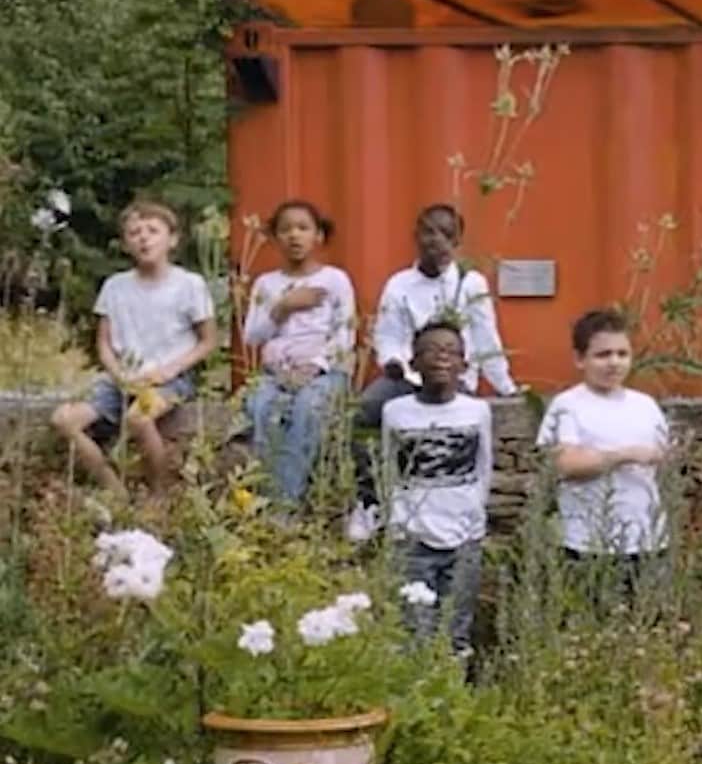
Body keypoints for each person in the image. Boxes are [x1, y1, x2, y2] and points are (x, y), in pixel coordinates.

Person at [350, 203, 517, 539]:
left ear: (458, 242)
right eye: (429, 232)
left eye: (446, 234)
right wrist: (394, 361)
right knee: (362, 412)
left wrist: (506, 386)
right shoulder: (399, 285)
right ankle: (370, 501)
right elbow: (388, 335)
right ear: (416, 235)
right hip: (409, 377)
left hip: (454, 380)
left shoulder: (470, 283)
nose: (436, 241)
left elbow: (486, 337)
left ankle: (455, 511)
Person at [51, 199, 217, 496]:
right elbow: (103, 342)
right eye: (134, 232)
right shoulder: (115, 286)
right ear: (126, 244)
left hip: (169, 379)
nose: (143, 238)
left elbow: (207, 341)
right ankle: (114, 489)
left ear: (172, 239)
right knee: (64, 419)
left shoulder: (189, 285)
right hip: (121, 378)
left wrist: (168, 370)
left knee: (138, 418)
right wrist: (118, 375)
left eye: (153, 231)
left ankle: (159, 494)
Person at [537, 309, 671, 597]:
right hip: (588, 543)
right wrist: (625, 455)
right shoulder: (567, 406)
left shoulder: (645, 405)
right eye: (603, 354)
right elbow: (566, 463)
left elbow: (665, 458)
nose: (614, 363)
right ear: (579, 359)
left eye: (622, 354)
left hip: (647, 540)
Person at [380, 321, 491, 657]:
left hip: (463, 537)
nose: (442, 358)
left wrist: (474, 517)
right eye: (431, 350)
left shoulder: (477, 411)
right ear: (413, 364)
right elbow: (388, 468)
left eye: (451, 352)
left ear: (464, 364)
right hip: (411, 538)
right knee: (413, 632)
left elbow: (484, 466)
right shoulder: (396, 412)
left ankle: (455, 700)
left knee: (456, 630)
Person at [241, 200, 356, 507]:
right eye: (285, 229)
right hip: (275, 373)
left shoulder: (334, 280)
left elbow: (345, 335)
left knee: (307, 410)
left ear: (318, 235)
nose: (294, 236)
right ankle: (273, 498)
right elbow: (252, 336)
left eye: (303, 228)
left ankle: (281, 505)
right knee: (261, 408)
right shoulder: (267, 283)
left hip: (323, 373)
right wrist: (284, 306)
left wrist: (315, 367)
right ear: (275, 237)